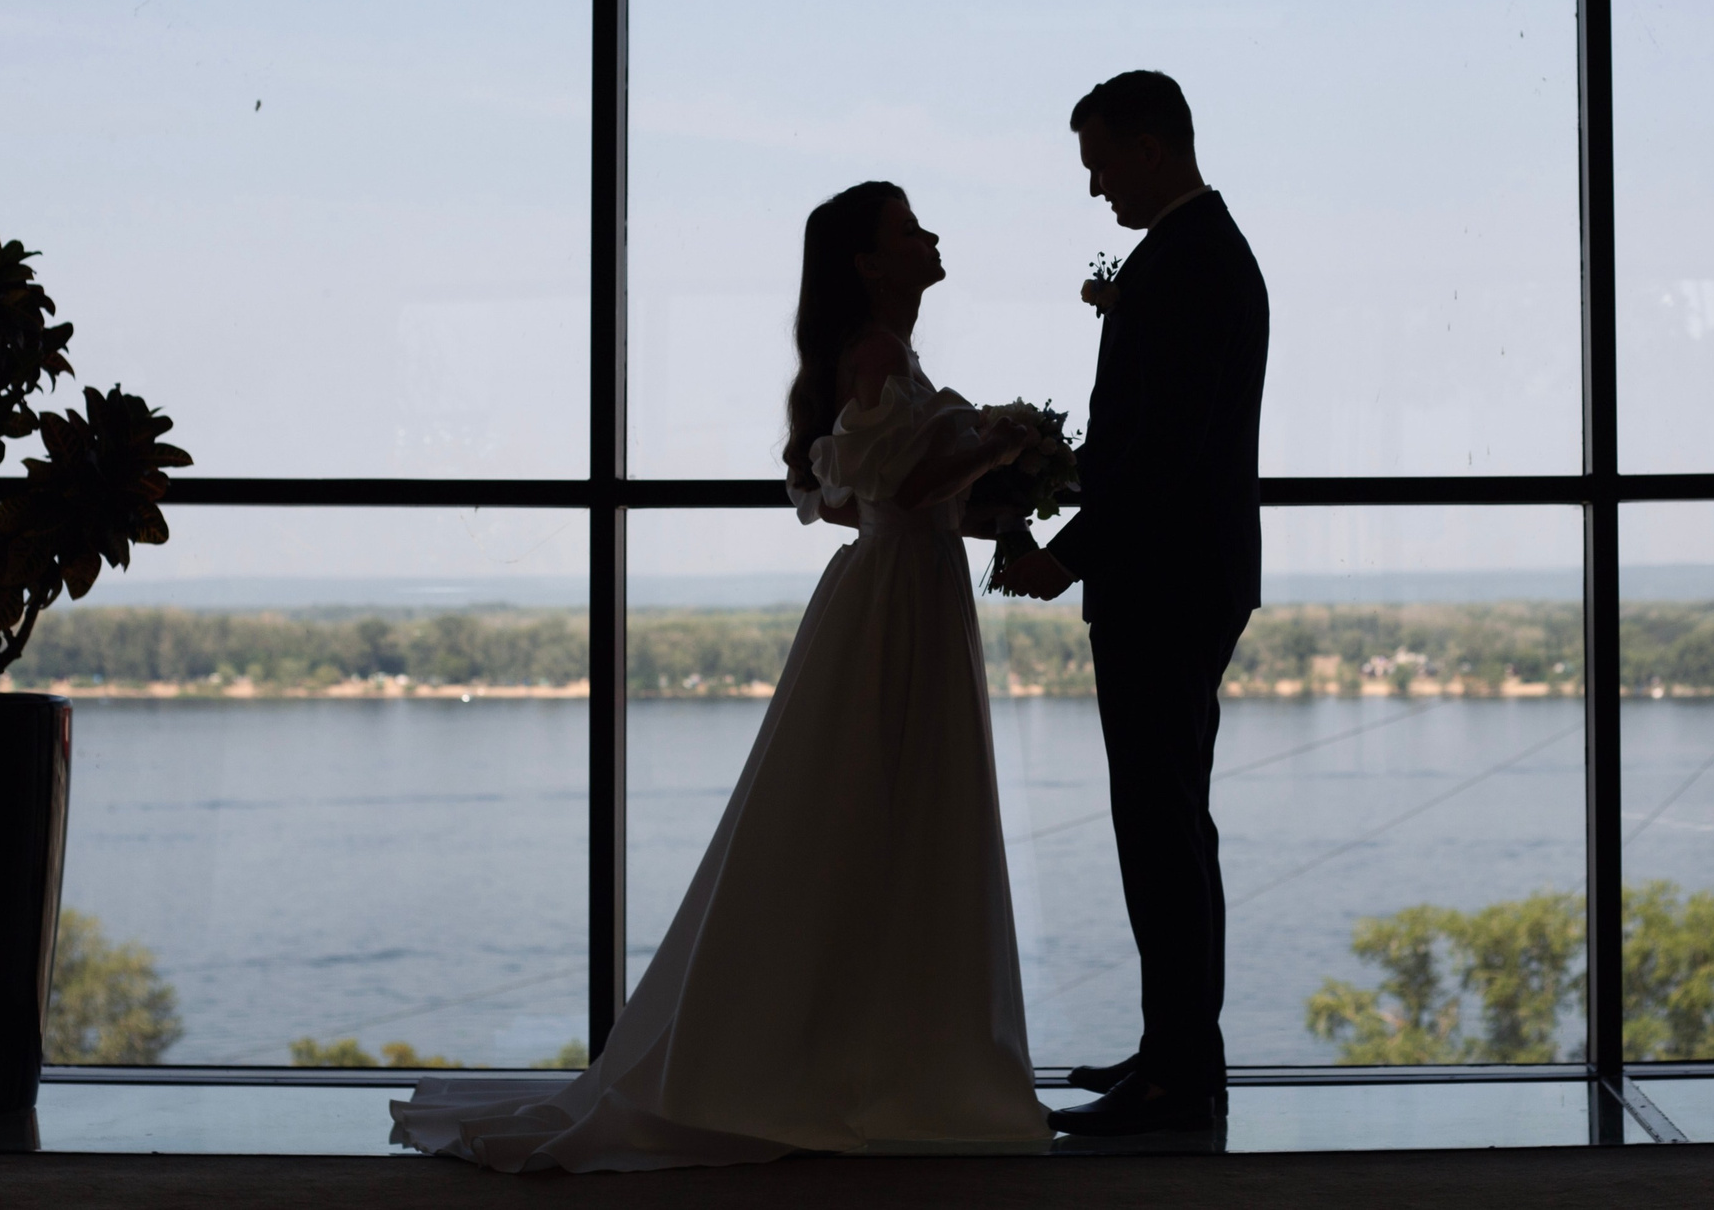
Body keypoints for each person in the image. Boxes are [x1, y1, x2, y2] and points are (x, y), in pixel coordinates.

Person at [391, 181, 1051, 1170]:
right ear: (870, 264)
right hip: (899, 600)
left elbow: (857, 498)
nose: (931, 238)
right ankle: (879, 1060)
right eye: (910, 229)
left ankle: (860, 1047)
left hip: (903, 585)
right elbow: (895, 485)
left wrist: (993, 488)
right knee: (892, 805)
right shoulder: (876, 355)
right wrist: (1000, 443)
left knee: (883, 810)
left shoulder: (887, 358)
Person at [997, 71, 1270, 1137]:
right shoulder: (1201, 254)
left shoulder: (1189, 262)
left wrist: (1069, 553)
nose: (1097, 189)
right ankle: (1169, 1053)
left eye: (1102, 164)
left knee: (1160, 827)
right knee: (1161, 822)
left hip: (1165, 580)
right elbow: (1158, 437)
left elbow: (1164, 444)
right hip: (1182, 573)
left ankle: (1179, 1073)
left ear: (1152, 149)